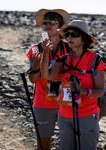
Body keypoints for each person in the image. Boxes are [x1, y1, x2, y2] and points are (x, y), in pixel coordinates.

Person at [40, 19, 106, 150]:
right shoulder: (64, 59)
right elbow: (47, 75)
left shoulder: (94, 60)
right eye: (67, 35)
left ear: (83, 39)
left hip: (86, 116)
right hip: (64, 115)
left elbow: (100, 91)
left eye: (74, 34)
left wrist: (82, 91)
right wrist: (46, 53)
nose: (69, 37)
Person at [26, 9, 70, 150]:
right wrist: (36, 63)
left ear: (60, 26)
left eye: (52, 22)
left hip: (66, 101)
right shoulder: (35, 49)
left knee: (70, 142)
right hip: (43, 102)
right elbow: (32, 80)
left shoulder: (70, 48)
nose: (48, 25)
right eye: (45, 23)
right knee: (43, 144)